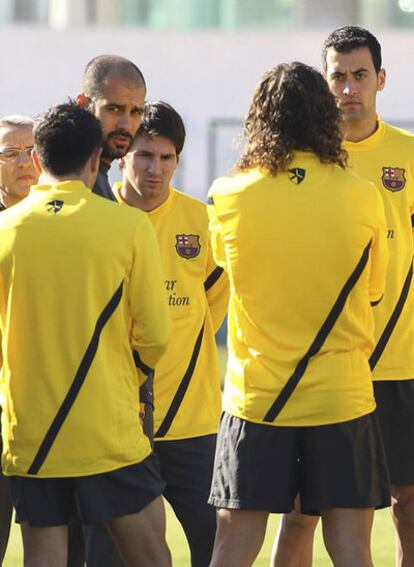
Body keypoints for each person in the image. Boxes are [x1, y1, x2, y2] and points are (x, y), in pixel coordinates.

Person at [207, 62, 390, 567]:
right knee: (352, 550)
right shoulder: (363, 196)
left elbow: (226, 264)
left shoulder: (228, 196)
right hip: (343, 398)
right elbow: (373, 291)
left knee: (233, 549)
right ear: (324, 116)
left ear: (259, 119)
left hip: (257, 399)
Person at [0, 102, 171, 567]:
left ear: (36, 159)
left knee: (45, 555)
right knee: (151, 557)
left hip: (31, 433)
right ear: (96, 159)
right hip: (108, 429)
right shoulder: (129, 226)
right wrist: (128, 378)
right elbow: (156, 335)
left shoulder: (4, 230)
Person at [273, 27, 414, 567]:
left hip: (399, 364)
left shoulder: (406, 154)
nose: (348, 88)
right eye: (337, 76)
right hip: (325, 366)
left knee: (409, 505)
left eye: (360, 75)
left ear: (381, 79)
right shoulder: (302, 160)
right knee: (303, 511)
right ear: (323, 82)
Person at [86, 100, 229, 567]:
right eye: (146, 156)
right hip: (118, 429)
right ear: (123, 156)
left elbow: (212, 306)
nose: (155, 169)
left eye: (166, 158)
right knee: (109, 554)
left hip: (194, 425)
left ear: (178, 161)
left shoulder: (203, 224)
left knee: (218, 546)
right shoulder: (100, 222)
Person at [0, 114, 38, 564]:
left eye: (32, 152)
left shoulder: (69, 226)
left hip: (52, 418)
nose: (25, 163)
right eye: (11, 154)